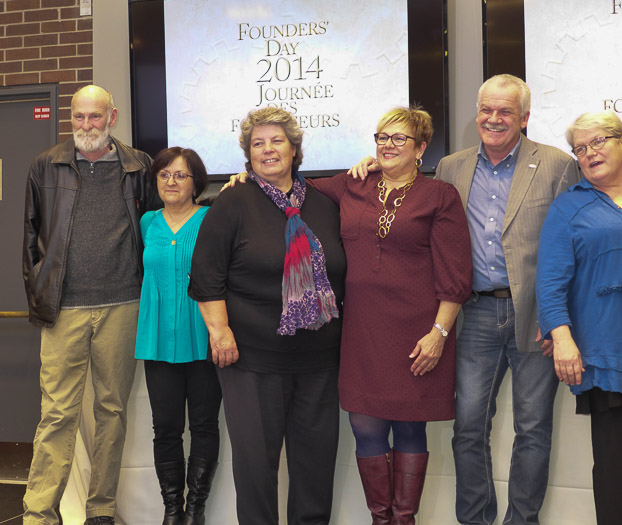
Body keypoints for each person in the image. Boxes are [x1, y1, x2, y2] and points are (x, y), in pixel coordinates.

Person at [225, 105, 473, 524]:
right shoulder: (352, 185)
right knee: (366, 427)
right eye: (382, 137)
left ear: (421, 148)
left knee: (410, 428)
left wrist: (439, 333)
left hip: (419, 333)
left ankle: (403, 519)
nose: (388, 145)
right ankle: (381, 518)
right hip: (360, 332)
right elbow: (293, 188)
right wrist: (247, 179)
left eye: (399, 138)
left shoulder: (440, 196)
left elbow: (456, 274)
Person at [350, 75, 582, 524]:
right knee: (469, 428)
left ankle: (522, 521)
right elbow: (411, 195)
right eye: (486, 110)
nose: (494, 119)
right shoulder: (451, 167)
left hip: (535, 314)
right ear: (476, 114)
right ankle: (474, 519)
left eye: (505, 112)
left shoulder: (556, 164)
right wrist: (373, 164)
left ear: (524, 118)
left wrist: (559, 319)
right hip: (472, 313)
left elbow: (569, 247)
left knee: (533, 428)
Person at [188, 107, 346, 525]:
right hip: (251, 361)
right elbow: (206, 273)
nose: (268, 149)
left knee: (316, 470)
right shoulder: (233, 201)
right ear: (248, 154)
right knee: (256, 470)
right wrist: (219, 331)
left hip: (319, 361)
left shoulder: (323, 203)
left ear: (294, 149)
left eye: (277, 141)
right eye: (258, 143)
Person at [22, 85, 158, 525]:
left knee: (112, 411)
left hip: (123, 306)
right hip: (64, 310)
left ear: (112, 117)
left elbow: (159, 225)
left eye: (95, 116)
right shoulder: (46, 165)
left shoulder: (139, 166)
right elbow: (30, 238)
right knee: (57, 413)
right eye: (79, 116)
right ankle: (39, 513)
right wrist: (39, 296)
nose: (86, 125)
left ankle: (101, 510)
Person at [536, 111, 622, 525]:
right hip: (607, 354)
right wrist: (562, 338)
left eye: (599, 141)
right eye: (580, 148)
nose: (589, 153)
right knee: (614, 466)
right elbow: (549, 282)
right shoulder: (568, 206)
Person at [134, 147, 222, 525]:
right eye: (164, 174)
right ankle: (172, 509)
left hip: (203, 337)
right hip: (157, 340)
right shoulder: (147, 222)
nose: (171, 182)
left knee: (203, 425)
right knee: (165, 429)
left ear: (196, 183)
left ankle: (194, 511)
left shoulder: (211, 220)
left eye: (180, 175)